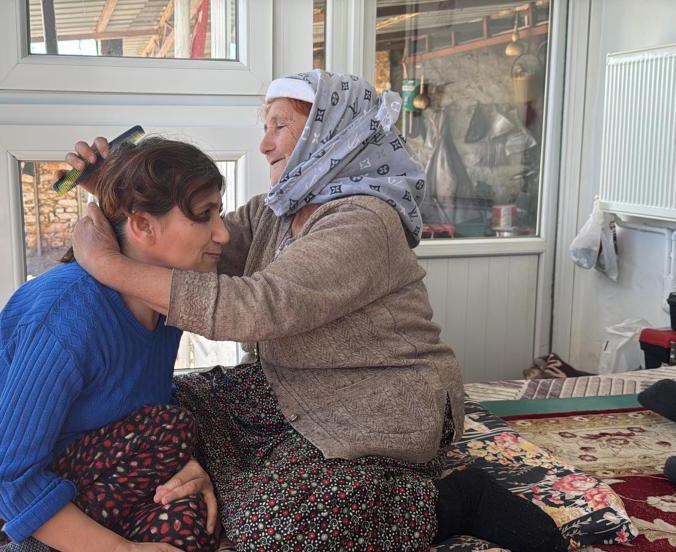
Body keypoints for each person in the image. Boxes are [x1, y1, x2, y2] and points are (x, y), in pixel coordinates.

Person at [66, 70, 568, 551]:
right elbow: (194, 250)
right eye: (265, 127)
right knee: (158, 414)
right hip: (285, 388)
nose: (264, 144)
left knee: (272, 530)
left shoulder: (364, 219)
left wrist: (106, 263)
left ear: (335, 132)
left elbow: (258, 307)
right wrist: (121, 193)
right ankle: (232, 478)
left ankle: (454, 501)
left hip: (375, 404)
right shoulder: (276, 210)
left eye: (279, 126)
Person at [0, 137, 227, 552]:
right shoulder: (69, 313)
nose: (223, 233)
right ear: (143, 225)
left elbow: (140, 401)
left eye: (219, 213)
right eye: (205, 215)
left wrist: (182, 467)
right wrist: (123, 550)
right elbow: (6, 477)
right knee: (172, 428)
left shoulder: (165, 304)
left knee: (188, 522)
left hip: (84, 463)